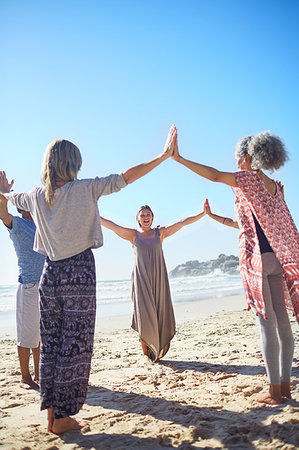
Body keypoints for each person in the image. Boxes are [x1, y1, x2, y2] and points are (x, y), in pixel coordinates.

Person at [0, 125, 176, 434]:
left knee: (52, 345)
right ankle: (63, 418)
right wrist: (162, 156)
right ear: (72, 164)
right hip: (78, 272)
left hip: (50, 275)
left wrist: (2, 188)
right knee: (75, 347)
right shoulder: (84, 189)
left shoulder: (35, 196)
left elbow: (9, 197)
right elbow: (126, 177)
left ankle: (53, 414)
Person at [172, 128, 299, 405]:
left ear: (246, 158)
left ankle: (274, 391)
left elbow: (215, 175)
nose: (235, 164)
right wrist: (214, 217)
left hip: (258, 259)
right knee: (282, 322)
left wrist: (179, 158)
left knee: (266, 323)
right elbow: (250, 223)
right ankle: (286, 387)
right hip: (279, 259)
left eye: (236, 158)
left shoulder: (245, 179)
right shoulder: (276, 186)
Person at [101, 204, 206, 362]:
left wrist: (203, 213)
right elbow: (113, 226)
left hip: (159, 279)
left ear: (152, 217)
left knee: (158, 311)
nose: (145, 217)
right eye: (142, 215)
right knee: (144, 314)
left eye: (148, 214)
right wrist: (95, 214)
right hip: (141, 280)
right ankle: (146, 354)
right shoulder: (133, 235)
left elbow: (182, 222)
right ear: (138, 218)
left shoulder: (160, 233)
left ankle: (156, 350)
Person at [0, 193, 45, 390]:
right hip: (28, 286)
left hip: (46, 286)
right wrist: (3, 194)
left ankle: (39, 373)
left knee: (39, 334)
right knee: (26, 335)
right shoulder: (18, 224)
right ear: (24, 208)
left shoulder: (43, 227)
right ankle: (25, 377)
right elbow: (3, 214)